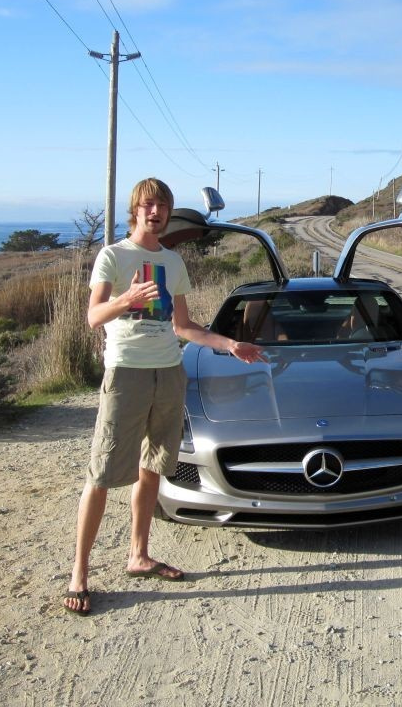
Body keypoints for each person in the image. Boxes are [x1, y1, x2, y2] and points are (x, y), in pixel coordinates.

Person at [64, 178, 267, 615]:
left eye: (162, 206)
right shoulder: (113, 255)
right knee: (101, 473)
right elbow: (93, 316)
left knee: (153, 465)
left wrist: (230, 344)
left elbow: (183, 327)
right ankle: (79, 573)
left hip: (169, 373)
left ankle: (139, 555)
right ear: (135, 210)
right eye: (148, 205)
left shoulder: (173, 262)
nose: (155, 212)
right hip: (126, 373)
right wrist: (127, 299)